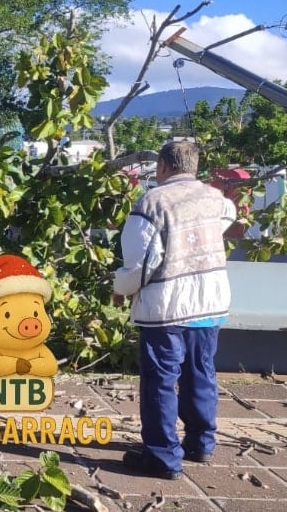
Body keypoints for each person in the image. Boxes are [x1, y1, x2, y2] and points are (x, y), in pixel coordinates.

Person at [112, 140, 236, 480]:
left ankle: (163, 456)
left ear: (163, 167)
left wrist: (120, 289)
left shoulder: (151, 203)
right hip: (209, 303)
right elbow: (230, 215)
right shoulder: (215, 200)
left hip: (166, 308)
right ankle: (201, 444)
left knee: (160, 382)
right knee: (201, 374)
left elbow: (139, 263)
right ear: (194, 167)